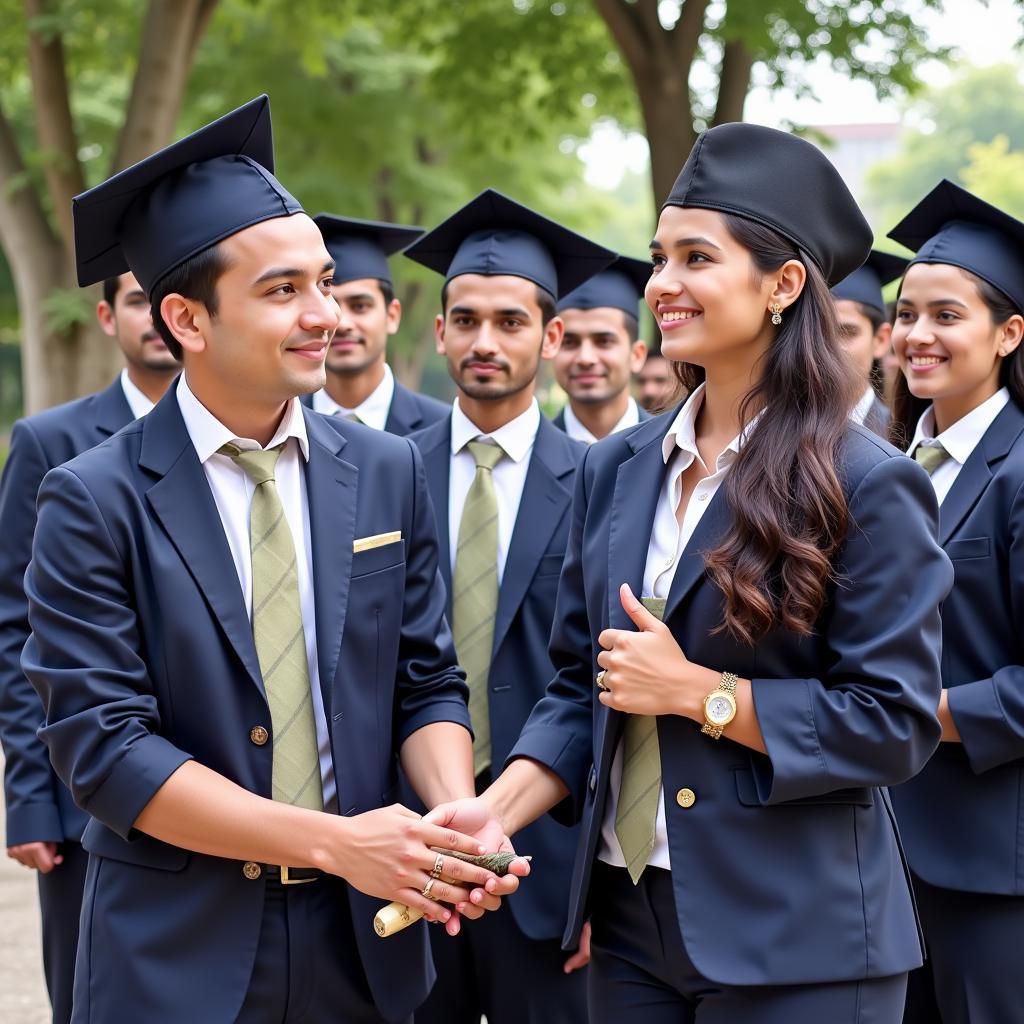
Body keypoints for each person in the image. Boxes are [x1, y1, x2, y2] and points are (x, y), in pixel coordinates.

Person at [425, 123, 954, 1023]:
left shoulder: (867, 481)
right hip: (627, 925)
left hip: (801, 939)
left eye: (695, 258)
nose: (661, 285)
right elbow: (578, 685)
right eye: (658, 257)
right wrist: (495, 812)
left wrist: (701, 693)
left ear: (783, 284)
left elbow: (893, 723)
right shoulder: (616, 468)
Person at [21, 96, 523, 1024]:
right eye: (283, 291)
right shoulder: (93, 497)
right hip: (175, 951)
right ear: (187, 318)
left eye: (326, 283)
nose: (325, 316)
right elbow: (108, 750)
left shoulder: (384, 467)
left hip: (364, 945)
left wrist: (454, 812)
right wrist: (337, 842)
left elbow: (423, 678)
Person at [403, 187, 615, 1024]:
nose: (484, 341)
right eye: (465, 319)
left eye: (510, 321)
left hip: (552, 863)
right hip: (405, 845)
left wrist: (606, 886)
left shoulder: (609, 479)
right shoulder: (381, 475)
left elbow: (608, 682)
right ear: (439, 331)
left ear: (551, 336)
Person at [0, 269, 178, 1024]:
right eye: (137, 301)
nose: (156, 319)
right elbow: (16, 622)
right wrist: (31, 798)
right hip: (87, 797)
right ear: (107, 316)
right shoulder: (53, 442)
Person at [886, 180, 1024, 1024]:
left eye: (946, 315)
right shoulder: (884, 469)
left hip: (992, 868)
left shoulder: (1019, 473)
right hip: (876, 855)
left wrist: (913, 714)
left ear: (1009, 333)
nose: (916, 335)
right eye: (905, 315)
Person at [303, 214, 448, 433]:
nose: (343, 324)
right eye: (330, 303)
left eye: (360, 306)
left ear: (392, 316)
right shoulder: (280, 424)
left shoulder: (443, 429)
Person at [552, 256, 650, 442]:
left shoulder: (671, 452)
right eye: (569, 342)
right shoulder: (529, 454)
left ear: (636, 355)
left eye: (603, 341)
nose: (585, 358)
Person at [831, 249, 907, 437]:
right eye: (817, 333)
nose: (830, 346)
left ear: (881, 340)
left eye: (846, 332)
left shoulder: (903, 439)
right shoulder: (773, 433)